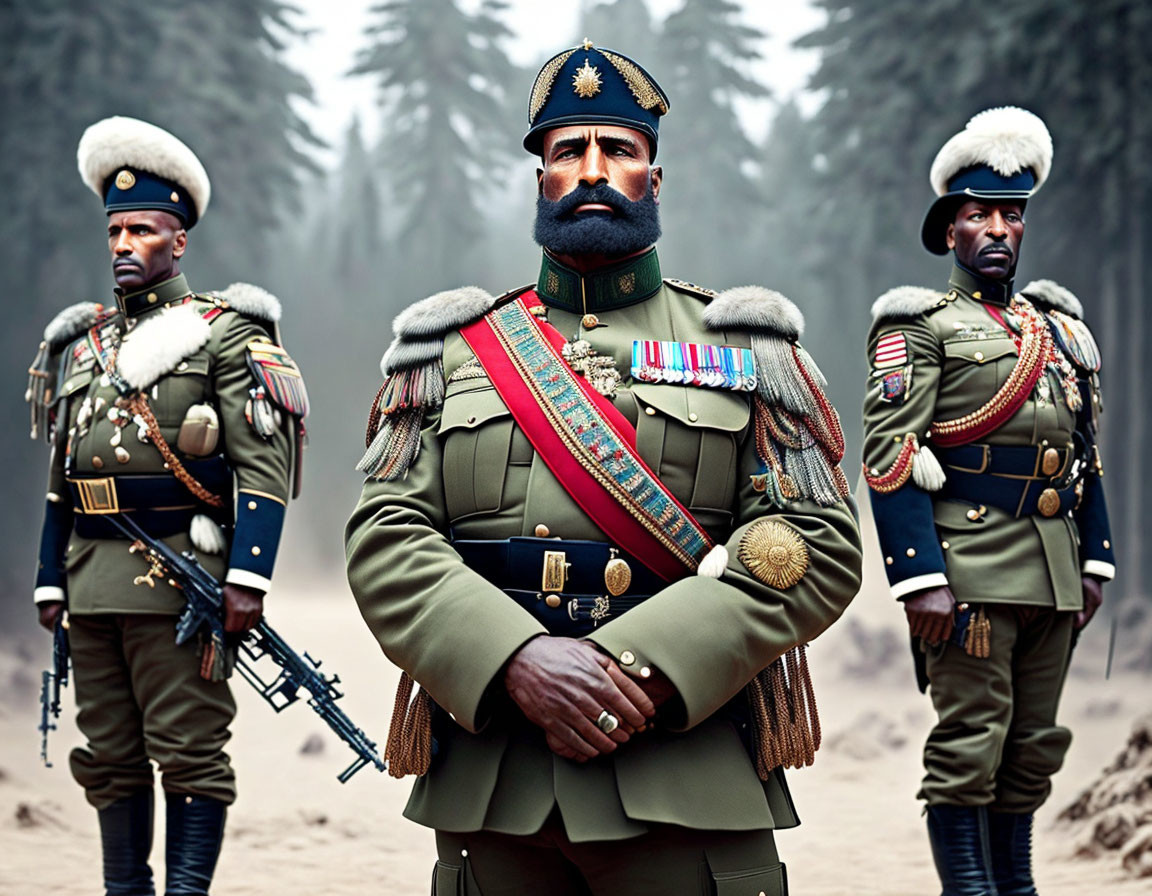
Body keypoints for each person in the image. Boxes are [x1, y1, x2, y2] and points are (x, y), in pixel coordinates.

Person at [346, 41, 862, 895]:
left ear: (654, 179)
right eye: (567, 152)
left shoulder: (748, 348)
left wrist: (634, 669)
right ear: (539, 181)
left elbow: (813, 544)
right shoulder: (447, 353)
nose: (592, 170)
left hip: (685, 781)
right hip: (498, 785)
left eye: (618, 150)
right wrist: (514, 659)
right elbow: (385, 537)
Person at [27, 116, 307, 896]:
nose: (123, 244)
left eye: (142, 230)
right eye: (115, 229)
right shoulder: (82, 347)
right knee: (108, 752)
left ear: (177, 241)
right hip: (92, 580)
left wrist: (248, 579)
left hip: (179, 578)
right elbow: (63, 474)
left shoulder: (223, 335)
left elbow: (263, 468)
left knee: (188, 750)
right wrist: (51, 578)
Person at [862, 107, 1114, 896]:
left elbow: (1083, 454)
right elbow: (890, 453)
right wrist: (918, 577)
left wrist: (1096, 560)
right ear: (950, 232)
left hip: (1053, 572)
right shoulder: (919, 325)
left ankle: (1017, 887)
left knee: (1032, 745)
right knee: (972, 742)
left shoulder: (1061, 332)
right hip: (967, 571)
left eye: (1011, 215)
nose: (998, 229)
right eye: (979, 215)